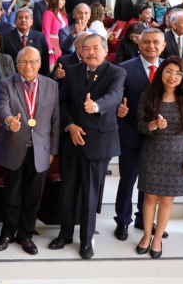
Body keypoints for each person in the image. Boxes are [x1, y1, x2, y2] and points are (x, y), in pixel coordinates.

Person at [49, 34, 126, 259]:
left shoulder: (116, 72)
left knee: (91, 194)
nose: (91, 52)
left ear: (104, 50)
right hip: (72, 140)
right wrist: (70, 125)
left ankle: (86, 240)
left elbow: (114, 96)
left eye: (96, 48)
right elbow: (62, 102)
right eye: (87, 48)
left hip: (98, 142)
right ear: (80, 50)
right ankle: (64, 234)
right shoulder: (72, 71)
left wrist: (97, 106)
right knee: (68, 190)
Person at [0, 46, 60, 255]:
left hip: (41, 149)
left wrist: (53, 150)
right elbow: (1, 107)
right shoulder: (5, 84)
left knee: (33, 195)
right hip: (13, 147)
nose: (27, 66)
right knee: (11, 193)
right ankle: (7, 232)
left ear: (39, 63)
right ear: (16, 63)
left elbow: (56, 121)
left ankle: (26, 234)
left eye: (32, 62)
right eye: (23, 62)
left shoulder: (52, 86)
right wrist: (9, 120)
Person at [135, 56, 183, 258]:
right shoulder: (148, 96)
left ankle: (158, 238)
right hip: (152, 151)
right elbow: (140, 126)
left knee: (167, 200)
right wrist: (154, 125)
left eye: (178, 73)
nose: (173, 76)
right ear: (161, 73)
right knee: (149, 197)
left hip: (177, 153)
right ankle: (146, 235)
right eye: (168, 71)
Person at [114, 28, 168, 242]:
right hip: (131, 132)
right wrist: (119, 109)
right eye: (146, 42)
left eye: (156, 42)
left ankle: (142, 219)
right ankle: (123, 221)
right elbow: (116, 98)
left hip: (160, 137)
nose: (151, 46)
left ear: (163, 45)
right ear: (138, 44)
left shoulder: (170, 69)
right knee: (128, 180)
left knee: (151, 183)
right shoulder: (124, 69)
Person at [3, 8, 50, 75]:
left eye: (26, 18)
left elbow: (45, 62)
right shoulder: (5, 38)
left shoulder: (40, 37)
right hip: (12, 79)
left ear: (32, 21)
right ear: (15, 21)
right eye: (20, 18)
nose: (23, 20)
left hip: (35, 78)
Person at [42, 0, 68, 65]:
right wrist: (48, 47)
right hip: (53, 43)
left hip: (63, 43)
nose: (64, 2)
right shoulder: (48, 13)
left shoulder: (63, 15)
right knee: (52, 68)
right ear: (55, 0)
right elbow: (45, 31)